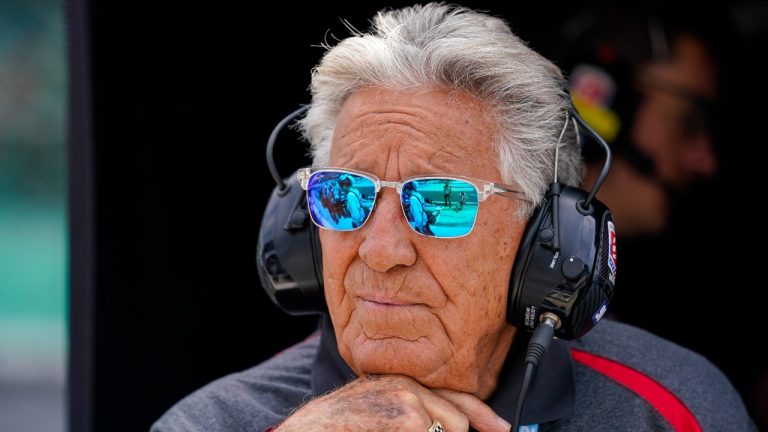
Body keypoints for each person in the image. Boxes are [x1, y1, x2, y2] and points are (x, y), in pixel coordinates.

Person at [151, 4, 755, 431]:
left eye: (441, 202)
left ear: (545, 239)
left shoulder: (672, 408)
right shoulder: (213, 423)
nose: (381, 249)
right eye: (343, 196)